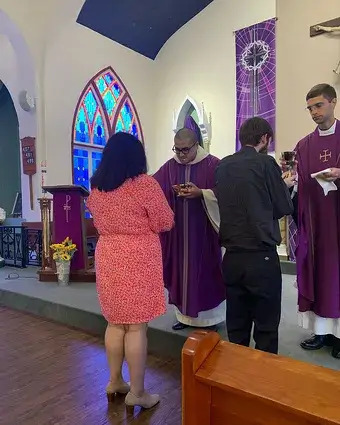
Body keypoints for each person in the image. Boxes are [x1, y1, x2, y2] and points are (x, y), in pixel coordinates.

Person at [87, 132, 174, 409]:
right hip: (137, 256)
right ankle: (137, 392)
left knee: (114, 323)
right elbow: (164, 222)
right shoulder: (144, 185)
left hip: (109, 254)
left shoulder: (97, 187)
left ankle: (114, 381)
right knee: (136, 327)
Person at [216, 117, 293, 354]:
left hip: (232, 257)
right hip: (261, 257)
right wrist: (286, 186)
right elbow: (283, 207)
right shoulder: (266, 163)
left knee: (237, 324)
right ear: (264, 139)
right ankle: (262, 382)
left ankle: (237, 379)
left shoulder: (223, 165)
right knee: (266, 326)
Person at [287, 83, 340, 359]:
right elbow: (299, 184)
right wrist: (291, 181)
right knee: (318, 273)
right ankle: (321, 331)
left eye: (318, 105)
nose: (314, 113)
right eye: (310, 108)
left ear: (333, 102)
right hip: (316, 223)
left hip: (338, 224)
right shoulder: (304, 145)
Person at [153, 128, 225, 331]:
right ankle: (184, 317)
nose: (182, 155)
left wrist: (202, 193)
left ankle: (211, 319)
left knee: (206, 274)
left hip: (205, 234)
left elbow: (226, 192)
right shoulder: (169, 167)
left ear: (196, 145)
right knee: (180, 273)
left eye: (186, 150)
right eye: (178, 150)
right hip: (178, 236)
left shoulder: (214, 164)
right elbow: (153, 188)